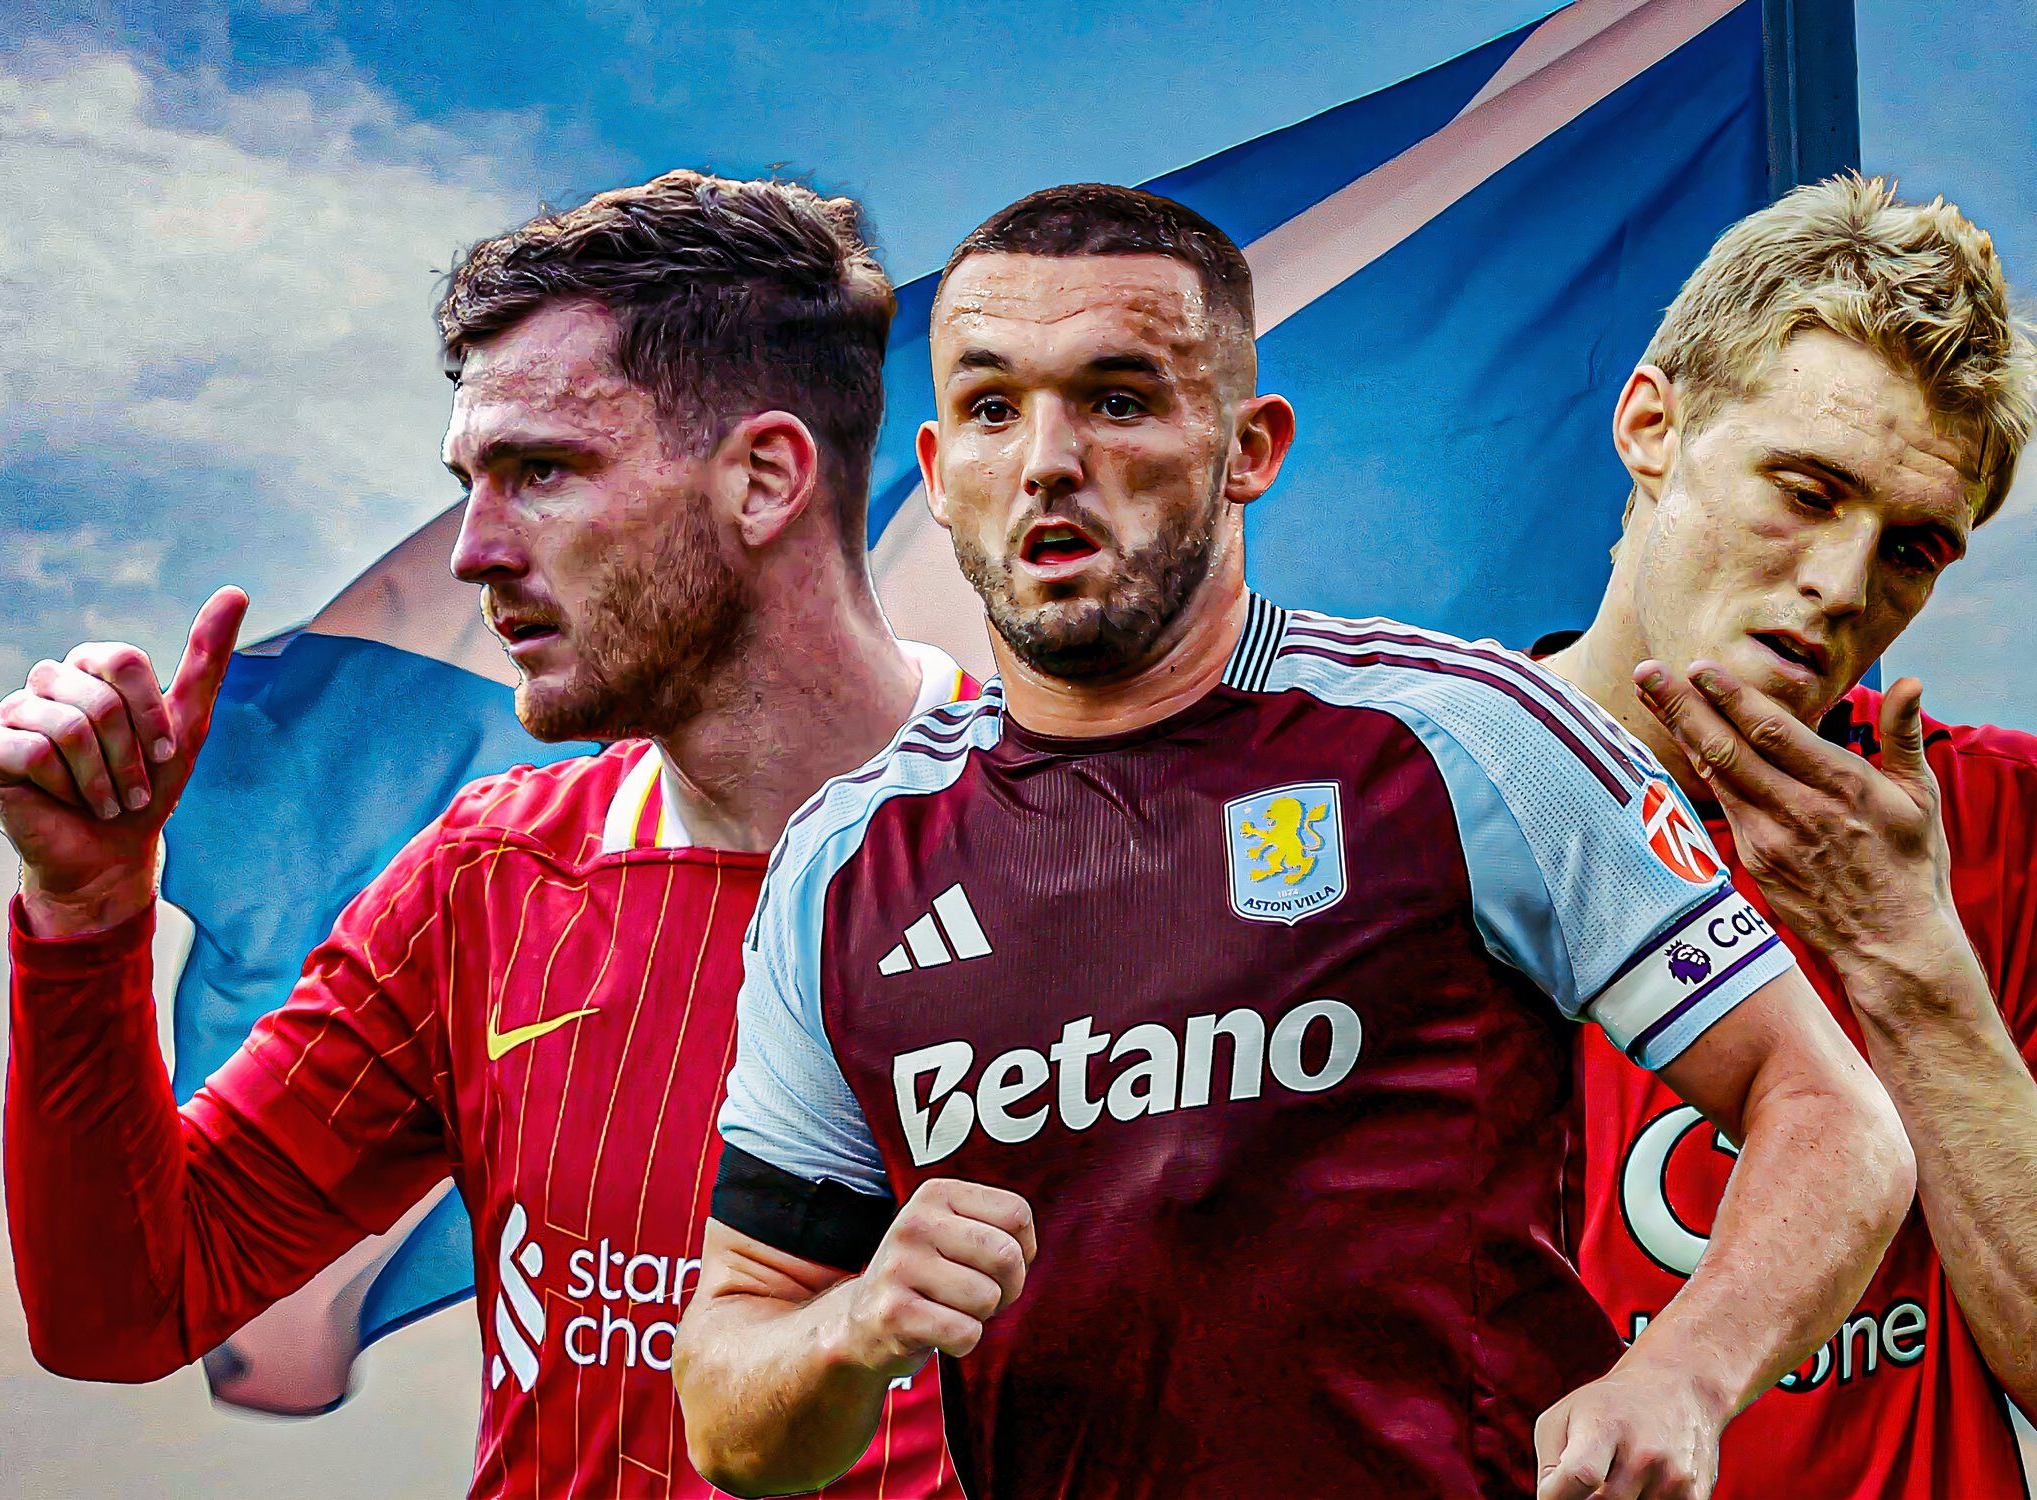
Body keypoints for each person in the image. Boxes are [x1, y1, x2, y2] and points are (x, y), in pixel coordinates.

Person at [667, 183, 1916, 1500]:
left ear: (1250, 446)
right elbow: (735, 1400)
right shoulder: (849, 862)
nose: (1045, 459)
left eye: (1117, 398)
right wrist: (850, 1334)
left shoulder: (1463, 739)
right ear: (935, 474)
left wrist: (1686, 1372)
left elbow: (1834, 1116)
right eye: (992, 407)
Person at [0, 171, 969, 1498]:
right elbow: (126, 1314)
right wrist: (85, 923)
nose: (475, 550)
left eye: (542, 472)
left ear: (767, 477)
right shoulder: (485, 884)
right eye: (470, 481)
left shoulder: (1125, 859)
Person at [1536, 175, 2037, 1500]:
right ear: (1653, 423)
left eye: (1913, 548)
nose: (1840, 588)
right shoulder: (1403, 804)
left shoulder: (2008, 823)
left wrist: (1908, 965)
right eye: (1806, 491)